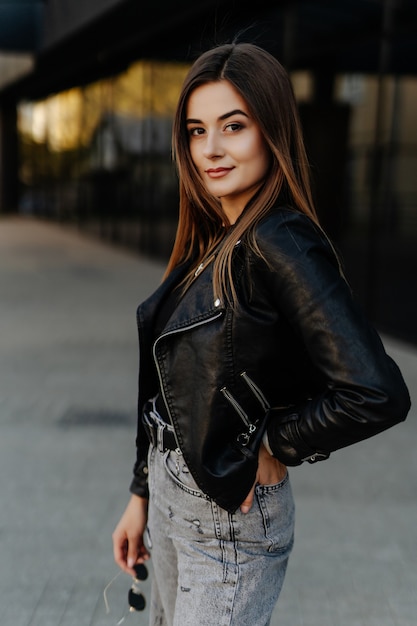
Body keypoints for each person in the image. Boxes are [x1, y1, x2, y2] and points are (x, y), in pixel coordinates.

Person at [112, 42, 410, 626]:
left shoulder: (281, 242)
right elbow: (172, 389)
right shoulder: (214, 238)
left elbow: (376, 390)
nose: (211, 149)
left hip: (227, 518)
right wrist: (141, 494)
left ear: (271, 132)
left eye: (233, 126)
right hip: (177, 499)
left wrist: (278, 442)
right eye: (197, 130)